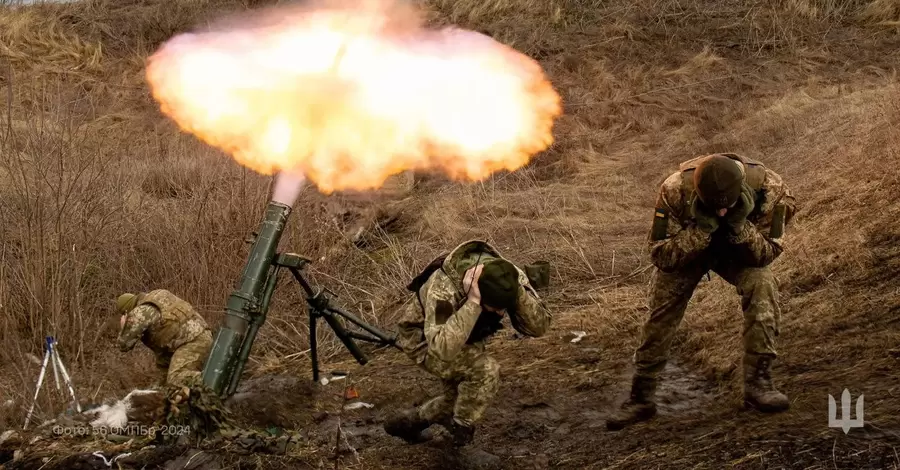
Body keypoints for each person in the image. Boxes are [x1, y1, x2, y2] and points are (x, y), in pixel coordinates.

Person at [606, 153, 797, 430]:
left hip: (740, 251)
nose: (721, 212)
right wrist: (701, 230)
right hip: (689, 250)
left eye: (727, 206)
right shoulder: (674, 190)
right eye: (713, 206)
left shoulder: (770, 189)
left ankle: (759, 384)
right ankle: (641, 397)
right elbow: (661, 257)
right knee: (661, 313)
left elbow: (767, 253)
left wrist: (740, 227)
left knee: (763, 285)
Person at [386, 240, 552, 449]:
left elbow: (540, 327)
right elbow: (441, 348)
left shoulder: (508, 276)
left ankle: (407, 424)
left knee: (456, 400)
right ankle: (458, 435)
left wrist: (516, 294)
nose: (500, 314)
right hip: (423, 340)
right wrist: (473, 303)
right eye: (493, 308)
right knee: (485, 372)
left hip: (467, 336)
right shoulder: (443, 290)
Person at [116, 289, 213, 388]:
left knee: (176, 378)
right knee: (162, 387)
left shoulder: (140, 312)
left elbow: (123, 345)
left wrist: (124, 325)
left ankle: (216, 380)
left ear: (126, 311)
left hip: (192, 341)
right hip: (202, 334)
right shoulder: (158, 295)